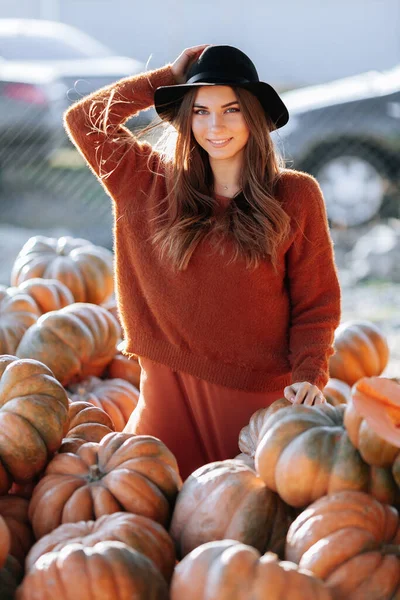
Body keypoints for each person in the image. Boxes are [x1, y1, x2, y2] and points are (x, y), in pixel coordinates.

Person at [63, 44, 341, 479]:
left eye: (231, 110)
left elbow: (316, 303)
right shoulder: (145, 182)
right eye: (200, 111)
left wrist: (310, 372)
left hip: (255, 408)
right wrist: (161, 81)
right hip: (166, 397)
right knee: (143, 515)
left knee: (240, 522)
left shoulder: (295, 195)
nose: (215, 125)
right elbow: (83, 121)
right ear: (186, 118)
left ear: (255, 115)